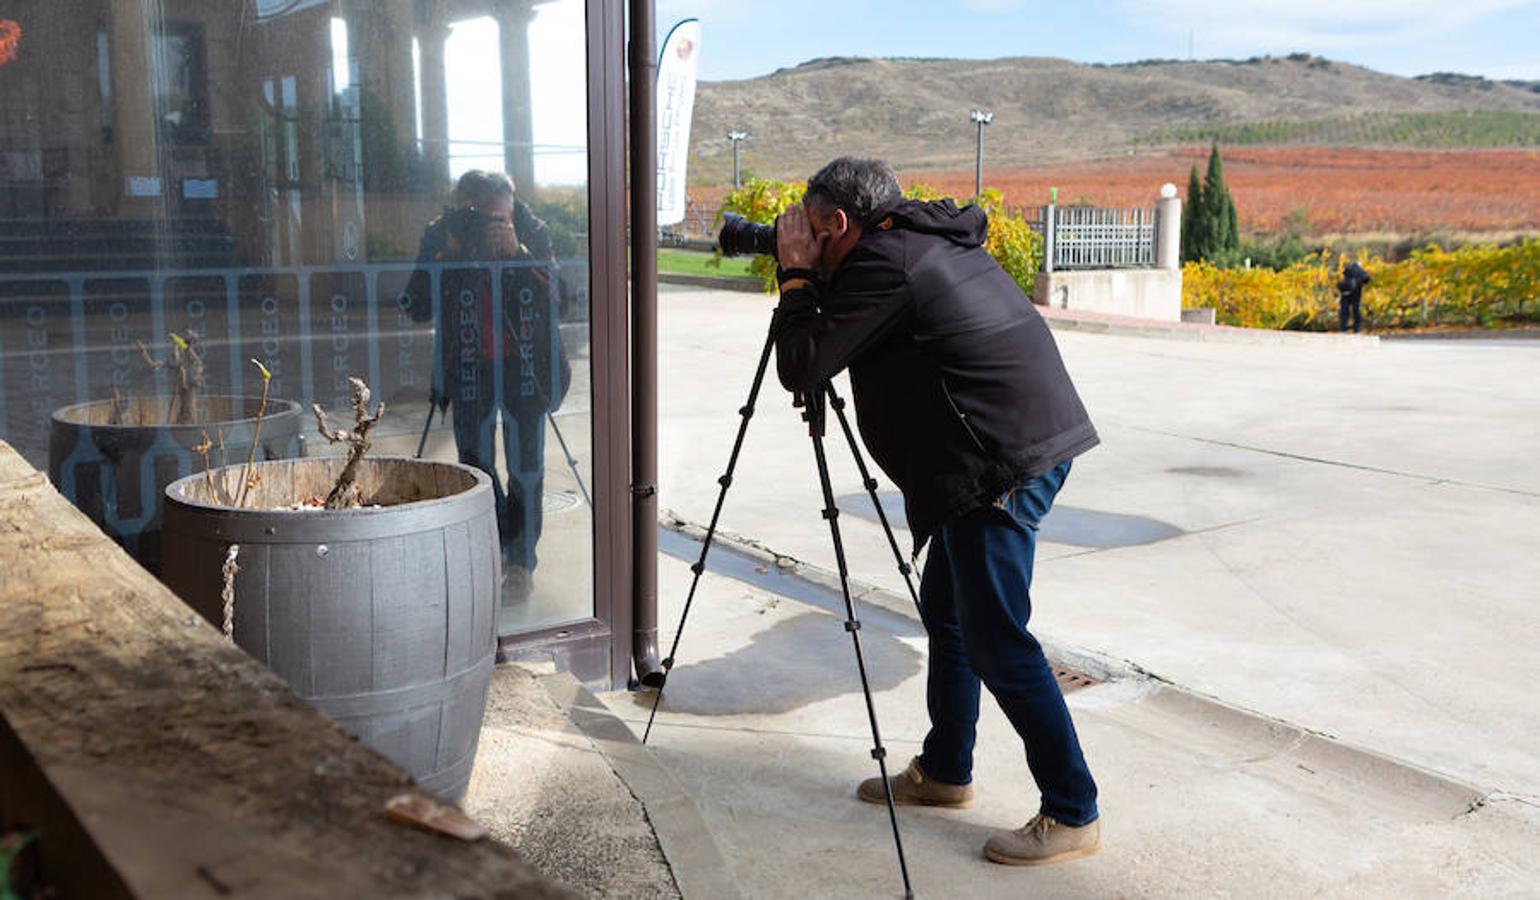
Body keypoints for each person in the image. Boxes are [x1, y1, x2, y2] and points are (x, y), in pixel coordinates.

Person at [771, 157, 1101, 866]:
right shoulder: (916, 242)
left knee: (997, 640)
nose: (801, 239)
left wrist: (795, 278)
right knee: (949, 617)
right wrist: (811, 271)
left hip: (998, 464)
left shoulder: (888, 263)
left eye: (811, 230)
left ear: (837, 223)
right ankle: (947, 770)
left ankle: (1074, 810)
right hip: (994, 450)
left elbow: (802, 364)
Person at [404, 170, 569, 602]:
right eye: (479, 216)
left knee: (527, 471)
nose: (488, 225)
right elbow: (415, 305)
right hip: (469, 367)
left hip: (525, 370)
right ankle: (496, 544)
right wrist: (448, 255)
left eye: (498, 217)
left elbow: (561, 300)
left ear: (511, 210)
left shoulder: (531, 231)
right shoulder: (443, 234)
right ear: (460, 206)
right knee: (476, 468)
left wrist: (519, 254)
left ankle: (520, 563)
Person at [1338, 259, 1371, 333]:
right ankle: (1356, 328)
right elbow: (1367, 279)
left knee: (1344, 311)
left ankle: (1343, 328)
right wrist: (1360, 282)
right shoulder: (1361, 271)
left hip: (1345, 293)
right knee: (1356, 311)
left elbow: (1343, 275)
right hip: (1356, 294)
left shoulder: (1348, 269)